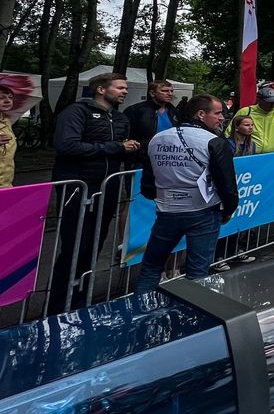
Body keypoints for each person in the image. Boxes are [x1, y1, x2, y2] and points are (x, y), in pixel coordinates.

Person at [49, 72, 138, 312]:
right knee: (74, 246)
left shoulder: (120, 118)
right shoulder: (76, 112)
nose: (125, 91)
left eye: (125, 88)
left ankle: (82, 299)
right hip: (78, 186)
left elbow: (120, 150)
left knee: (94, 245)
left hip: (107, 188)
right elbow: (67, 145)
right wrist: (116, 147)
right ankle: (58, 306)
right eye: (120, 87)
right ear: (101, 89)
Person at [136, 94, 239, 293]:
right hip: (203, 212)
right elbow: (227, 184)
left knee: (151, 268)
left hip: (167, 211)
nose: (221, 118)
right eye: (218, 113)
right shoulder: (214, 142)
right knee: (198, 273)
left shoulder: (157, 138)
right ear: (201, 114)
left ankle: (139, 308)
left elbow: (148, 183)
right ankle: (193, 310)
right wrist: (229, 209)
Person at [124, 80, 178, 160]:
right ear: (152, 93)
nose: (170, 94)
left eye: (171, 91)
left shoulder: (175, 112)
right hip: (142, 157)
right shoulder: (136, 111)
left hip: (168, 157)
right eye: (165, 91)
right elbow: (127, 136)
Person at [0, 84, 16, 187]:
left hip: (6, 183)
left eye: (10, 97)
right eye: (1, 98)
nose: (7, 100)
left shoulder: (7, 121)